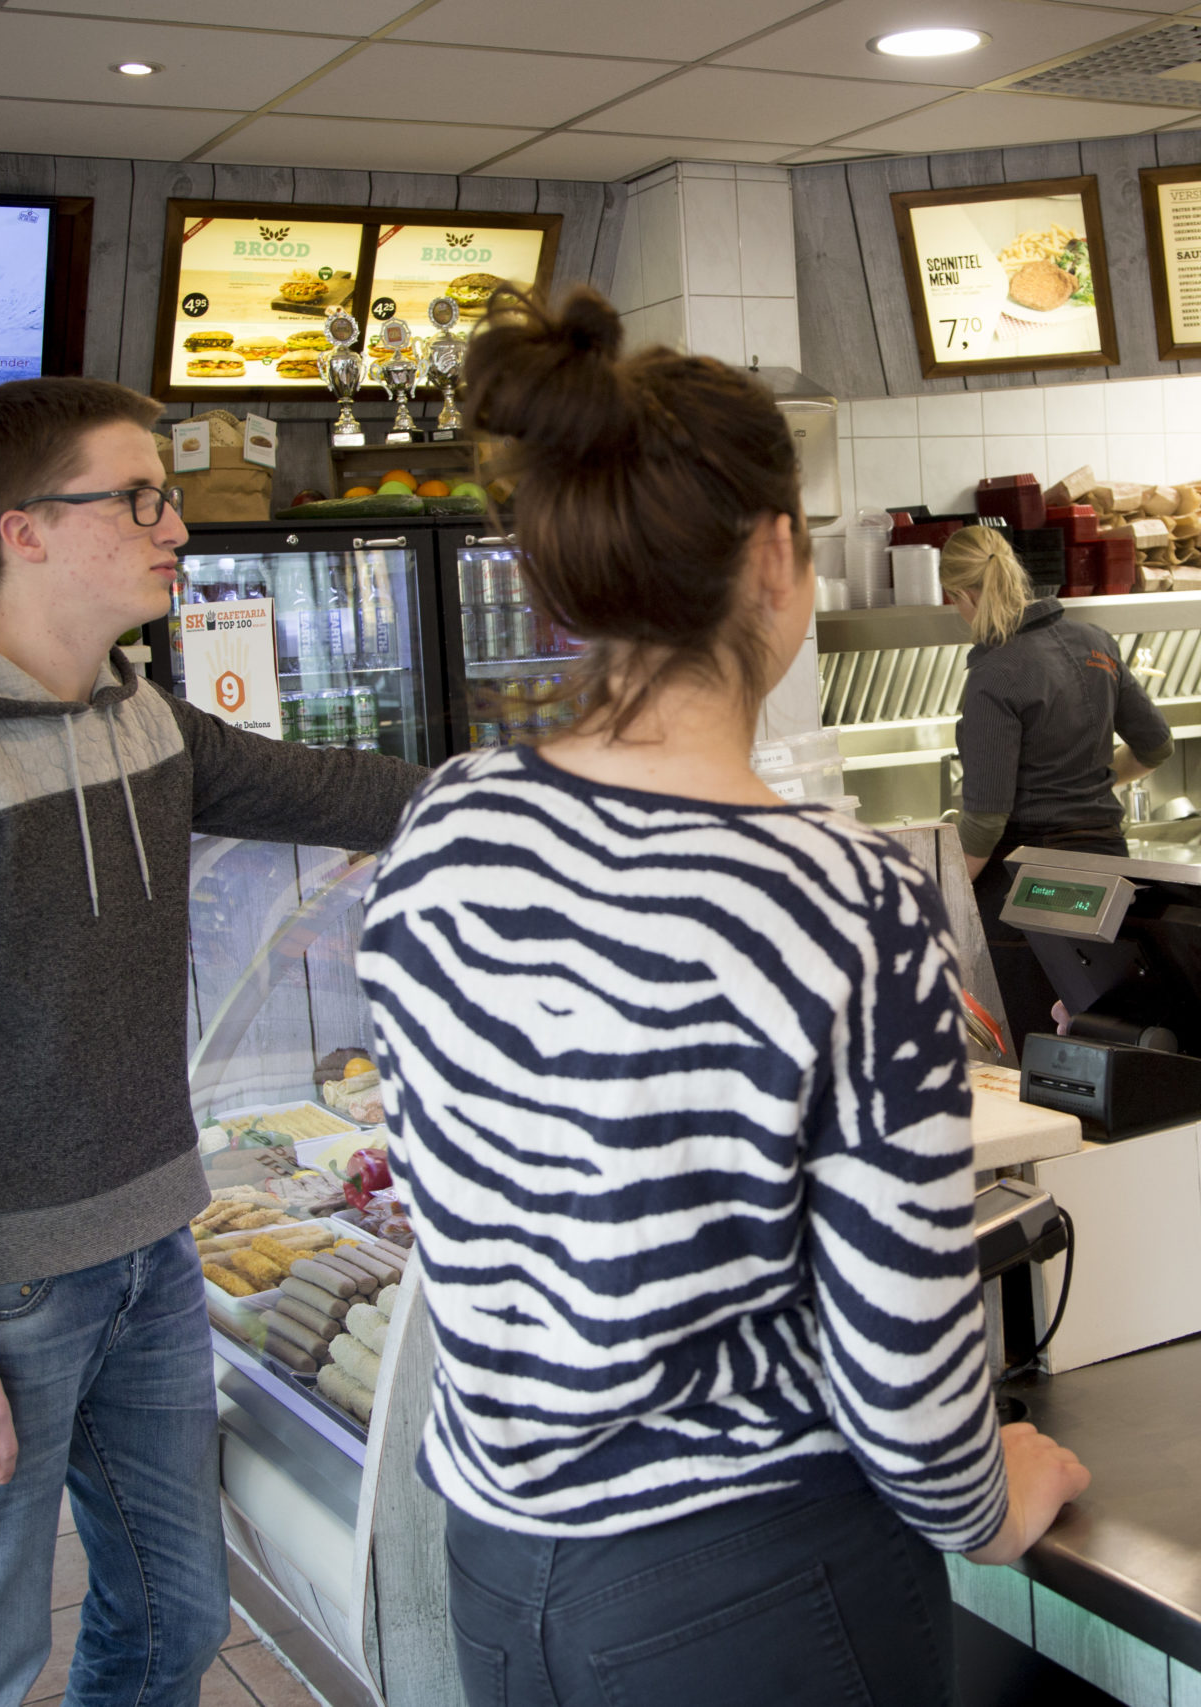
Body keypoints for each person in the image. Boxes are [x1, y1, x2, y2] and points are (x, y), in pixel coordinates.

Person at [356, 287, 1090, 1707]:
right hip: (751, 1582)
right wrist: (989, 1498)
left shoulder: (446, 823)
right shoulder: (840, 896)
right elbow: (900, 1342)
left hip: (501, 1571)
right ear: (772, 555)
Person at [0, 377, 428, 1707]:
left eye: (166, 497)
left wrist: (557, 787)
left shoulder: (142, 714)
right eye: (137, 498)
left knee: (175, 1619)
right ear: (22, 530)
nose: (175, 526)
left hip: (154, 1258)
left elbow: (334, 789)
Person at [943, 526, 1173, 1045]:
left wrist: (942, 892)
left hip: (1035, 891)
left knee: (1041, 1050)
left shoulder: (993, 674)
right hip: (1111, 878)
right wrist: (1095, 782)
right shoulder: (1096, 643)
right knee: (1111, 1041)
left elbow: (984, 824)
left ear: (961, 595)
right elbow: (1156, 746)